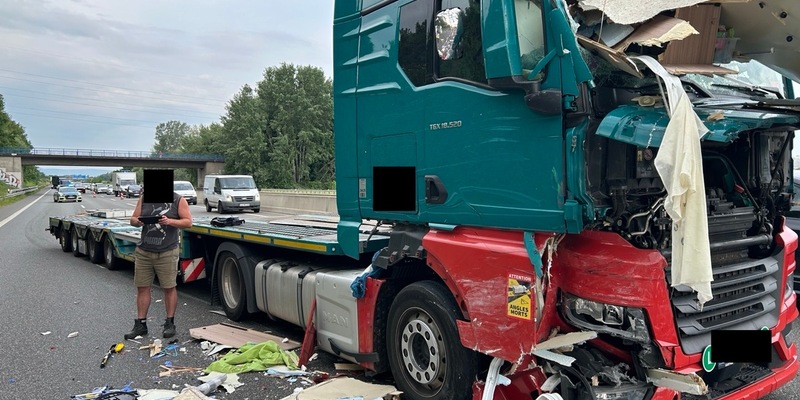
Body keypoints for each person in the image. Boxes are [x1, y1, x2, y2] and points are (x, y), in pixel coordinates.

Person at [125, 189, 192, 339]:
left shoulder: (178, 200)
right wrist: (138, 221)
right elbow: (133, 219)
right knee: (142, 287)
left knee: (169, 287)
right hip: (144, 251)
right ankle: (141, 324)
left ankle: (170, 323)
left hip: (167, 251)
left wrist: (170, 221)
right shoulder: (144, 198)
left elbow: (188, 222)